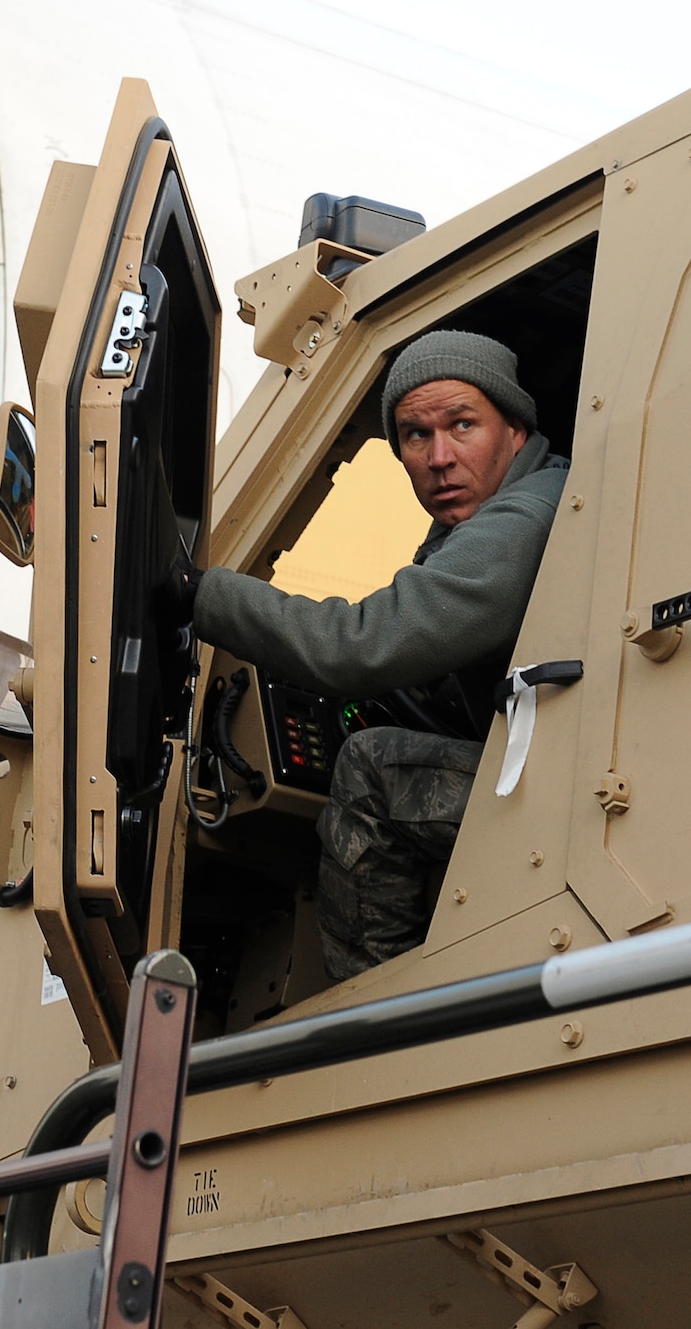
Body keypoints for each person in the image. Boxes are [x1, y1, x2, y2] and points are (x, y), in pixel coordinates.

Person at [174, 330, 568, 981]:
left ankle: (372, 1014)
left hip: (560, 792)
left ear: (516, 430)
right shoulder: (476, 520)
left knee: (374, 766)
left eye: (462, 424)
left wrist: (200, 594)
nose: (440, 456)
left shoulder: (525, 516)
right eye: (415, 436)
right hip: (549, 773)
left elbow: (365, 643)